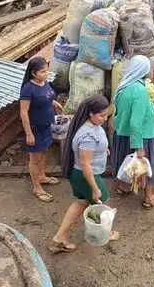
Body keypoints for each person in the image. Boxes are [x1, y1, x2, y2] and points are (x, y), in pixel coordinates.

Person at [49, 95, 111, 253]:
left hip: (80, 174)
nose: (104, 119)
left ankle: (60, 237)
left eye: (106, 114)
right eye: (101, 115)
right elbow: (85, 163)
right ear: (91, 113)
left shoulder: (90, 126)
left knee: (81, 202)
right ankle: (103, 233)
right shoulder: (87, 136)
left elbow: (91, 152)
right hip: (86, 175)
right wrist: (95, 187)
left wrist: (103, 150)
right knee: (103, 203)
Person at [111, 55, 154, 210]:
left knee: (125, 162)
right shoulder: (140, 91)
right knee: (145, 166)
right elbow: (135, 123)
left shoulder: (123, 86)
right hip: (141, 136)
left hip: (122, 134)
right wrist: (139, 147)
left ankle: (123, 187)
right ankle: (149, 197)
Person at [20, 57, 63, 203]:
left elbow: (47, 96)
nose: (46, 74)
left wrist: (54, 102)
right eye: (42, 71)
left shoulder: (44, 83)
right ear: (33, 73)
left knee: (44, 151)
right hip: (35, 128)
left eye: (47, 70)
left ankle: (42, 176)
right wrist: (28, 133)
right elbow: (24, 112)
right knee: (34, 158)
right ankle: (36, 187)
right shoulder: (28, 89)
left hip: (47, 124)